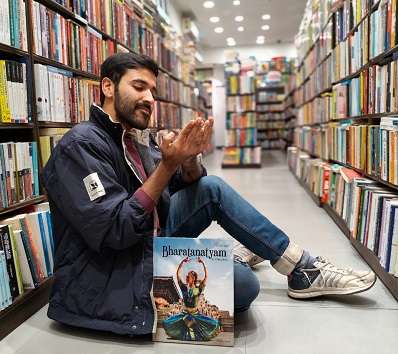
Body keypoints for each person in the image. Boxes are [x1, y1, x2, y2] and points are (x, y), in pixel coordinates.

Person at [42, 52, 376, 337]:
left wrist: (187, 163)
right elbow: (117, 230)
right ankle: (238, 255)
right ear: (108, 87)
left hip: (147, 238)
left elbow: (172, 191)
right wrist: (168, 164)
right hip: (115, 269)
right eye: (139, 87)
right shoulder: (81, 146)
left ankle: (300, 268)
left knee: (210, 187)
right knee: (244, 285)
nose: (149, 99)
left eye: (154, 92)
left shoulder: (135, 138)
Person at [162, 257, 220, 341]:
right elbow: (177, 275)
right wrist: (182, 262)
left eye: (188, 276)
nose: (186, 278)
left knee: (214, 324)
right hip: (184, 314)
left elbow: (206, 277)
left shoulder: (199, 289)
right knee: (167, 322)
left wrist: (203, 263)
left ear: (193, 278)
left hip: (196, 314)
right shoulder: (184, 288)